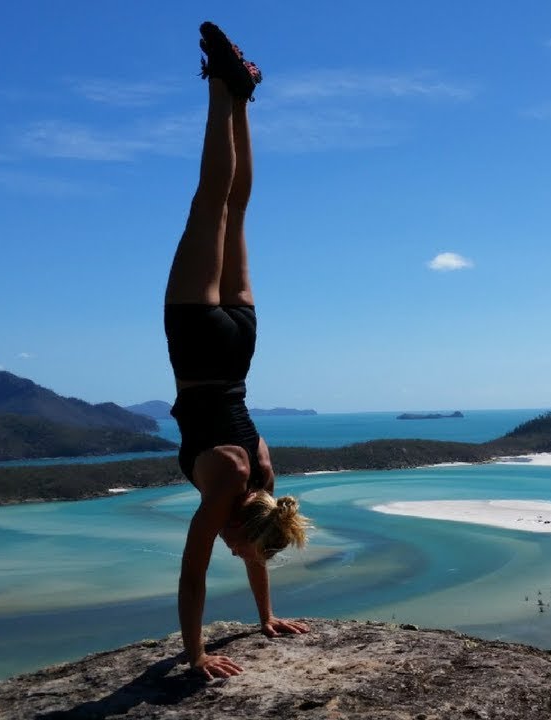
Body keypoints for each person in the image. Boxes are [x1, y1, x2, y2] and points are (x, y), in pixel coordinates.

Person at [163, 21, 311, 679]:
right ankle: (222, 93)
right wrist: (195, 655)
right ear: (239, 527)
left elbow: (256, 550)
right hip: (198, 344)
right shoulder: (223, 492)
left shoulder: (265, 481)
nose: (231, 549)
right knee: (210, 205)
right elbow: (191, 578)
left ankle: (240, 94)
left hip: (242, 346)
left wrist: (265, 619)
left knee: (238, 209)